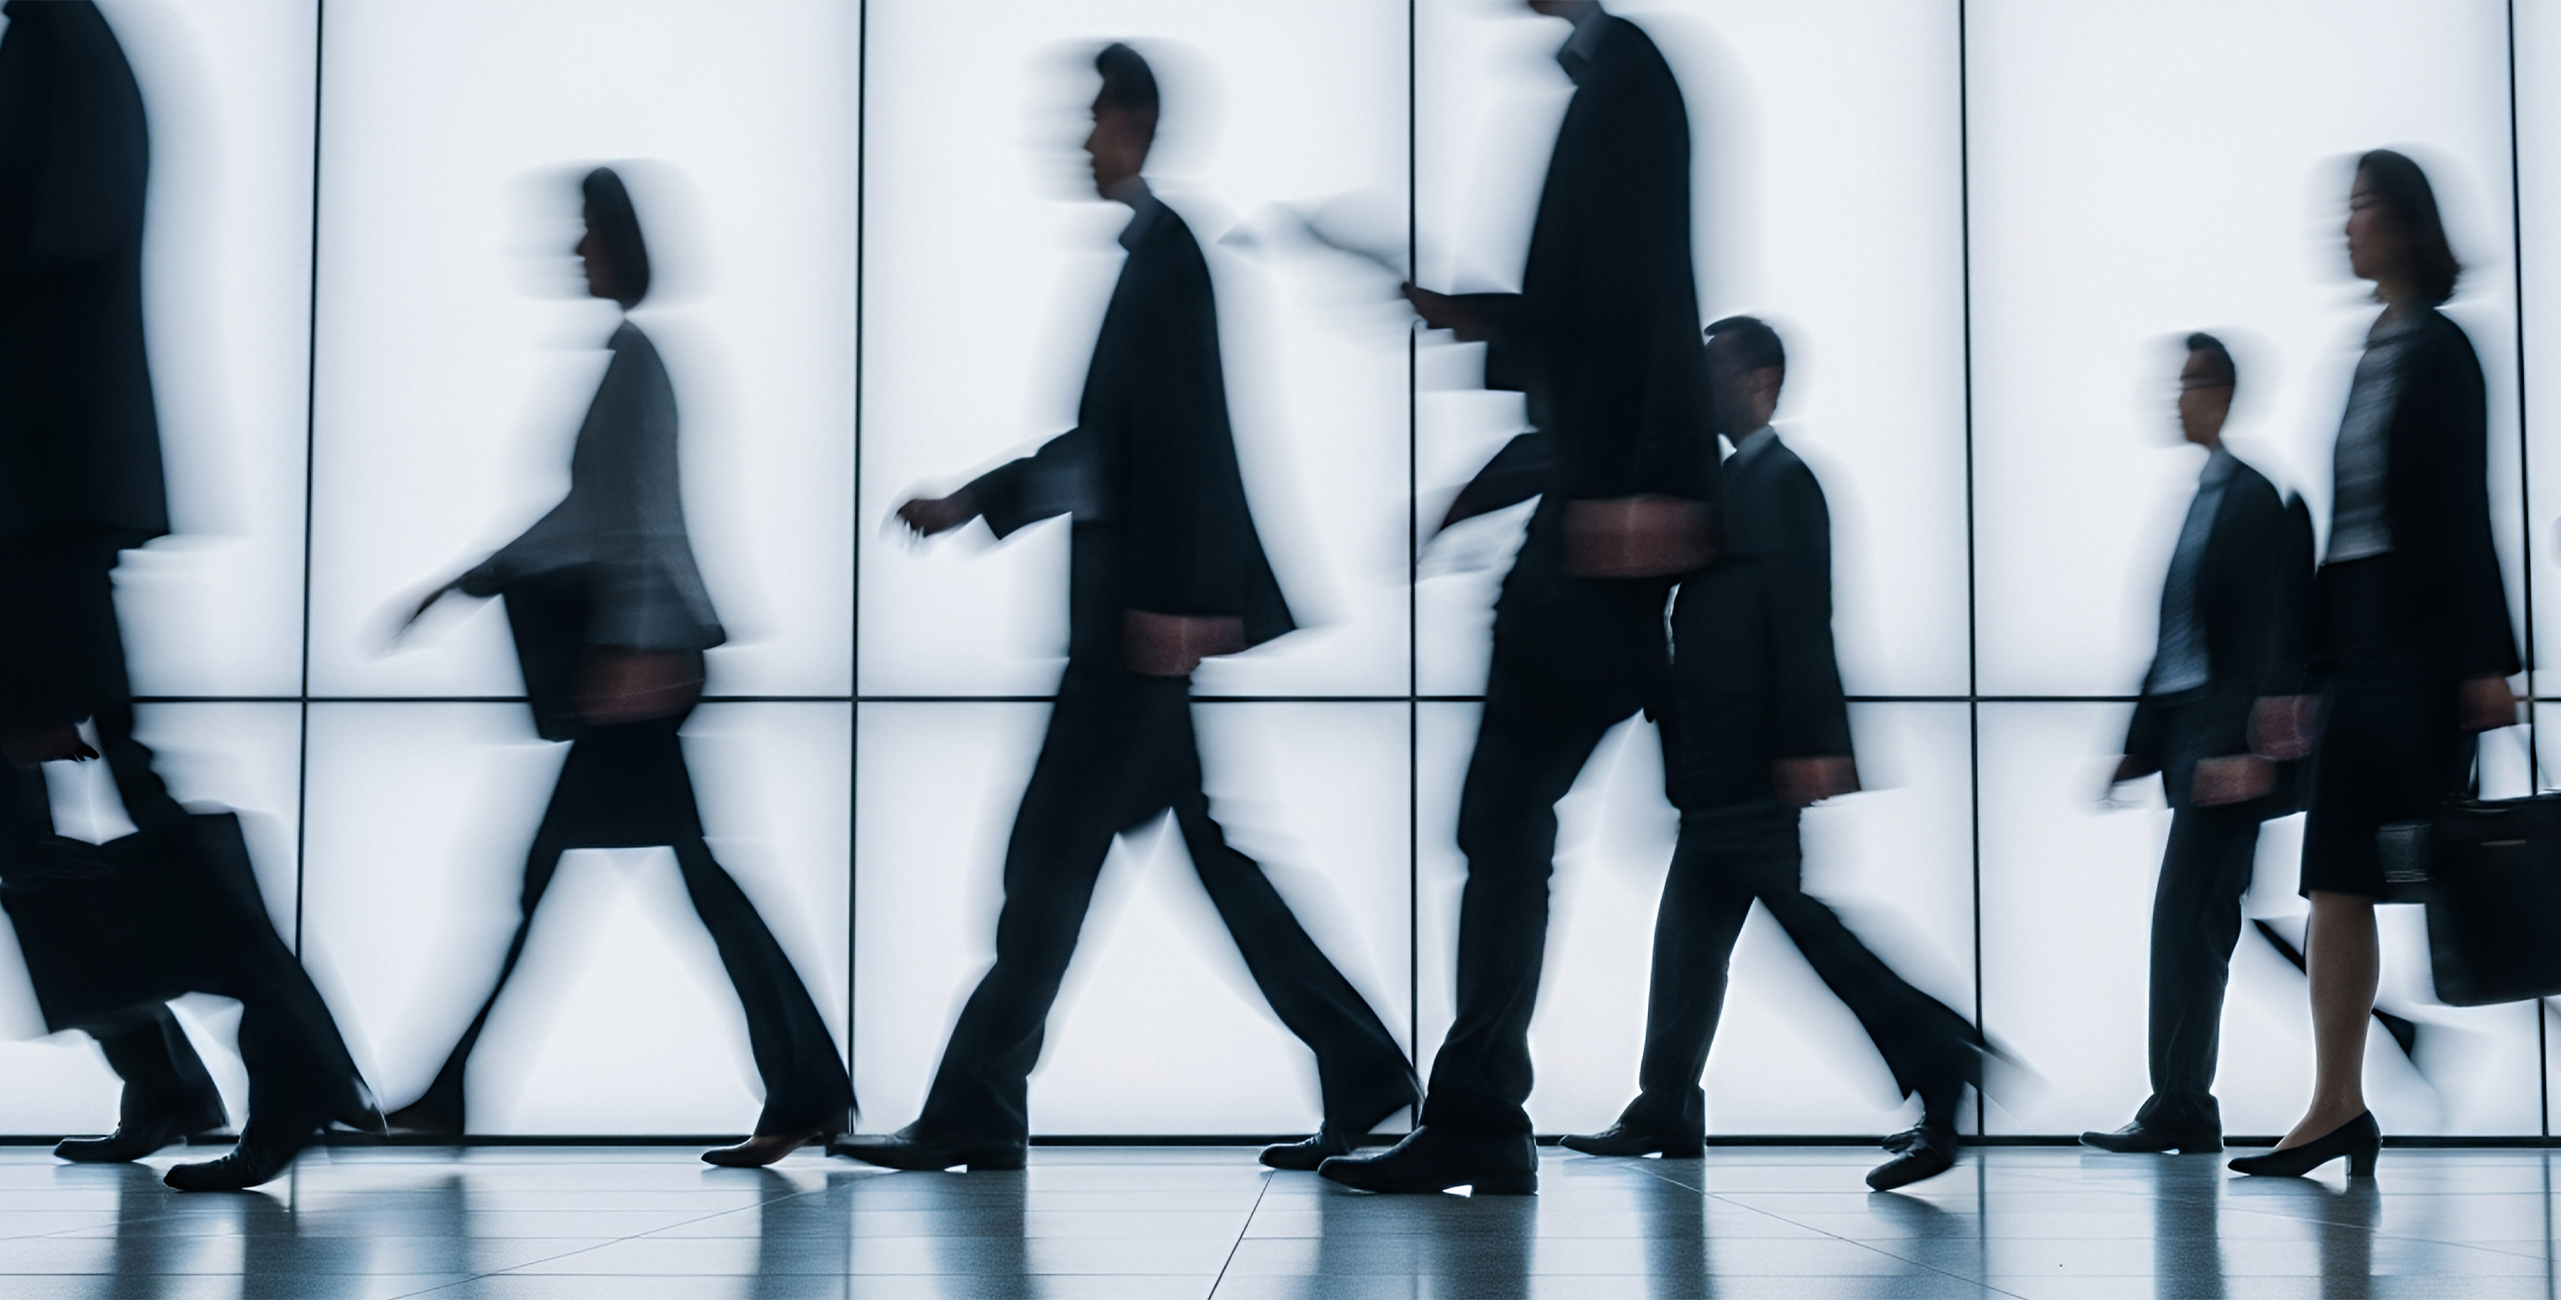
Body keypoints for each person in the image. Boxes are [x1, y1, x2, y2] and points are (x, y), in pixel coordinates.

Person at [830, 43, 1416, 1175]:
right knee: (1165, 866)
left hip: (1134, 635)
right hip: (1137, 631)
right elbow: (1117, 449)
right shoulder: (1153, 256)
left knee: (1050, 870)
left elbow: (1180, 444)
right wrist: (981, 502)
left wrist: (1174, 604)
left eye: (1093, 116)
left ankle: (975, 1109)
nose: (1077, 136)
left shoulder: (1168, 260)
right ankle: (1365, 1075)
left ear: (1137, 124)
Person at [1319, 0, 1715, 1197]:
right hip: (1594, 507)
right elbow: (1592, 317)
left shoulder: (1625, 80)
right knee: (1576, 821)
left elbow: (1646, 297)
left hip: (1601, 518)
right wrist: (1459, 315)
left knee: (1515, 815)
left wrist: (1636, 492)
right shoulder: (1606, 76)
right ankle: (1480, 1106)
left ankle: (1482, 1111)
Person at [391, 167, 856, 1169]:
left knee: (597, 880)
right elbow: (595, 515)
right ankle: (808, 1089)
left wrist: (625, 647)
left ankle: (447, 1091)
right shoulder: (628, 360)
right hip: (645, 658)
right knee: (667, 882)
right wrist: (475, 577)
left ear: (617, 240)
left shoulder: (636, 362)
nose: (575, 249)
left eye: (586, 232)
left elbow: (633, 516)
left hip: (642, 665)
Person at [0, 0, 380, 1192]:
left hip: (39, 500)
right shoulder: (67, 39)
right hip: (45, 495)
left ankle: (287, 1065)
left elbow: (47, 250)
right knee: (59, 808)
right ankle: (186, 1070)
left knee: (111, 802)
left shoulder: (59, 41)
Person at [1558, 317, 1983, 1191]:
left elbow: (1802, 619)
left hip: (1755, 758)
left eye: (1713, 367)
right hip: (1715, 756)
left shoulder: (1786, 482)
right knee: (1690, 933)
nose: (1698, 384)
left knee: (1799, 923)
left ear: (1760, 380)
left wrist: (1809, 746)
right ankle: (1665, 1102)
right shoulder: (1726, 480)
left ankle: (1939, 1063)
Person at [2230, 150, 2520, 1179]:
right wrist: (2299, 672)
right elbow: (2342, 525)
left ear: (2402, 222)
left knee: (2442, 873)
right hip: (2355, 652)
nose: (2339, 224)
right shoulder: (2371, 348)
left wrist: (2488, 661)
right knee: (2334, 878)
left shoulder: (2439, 350)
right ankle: (2334, 1103)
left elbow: (2459, 508)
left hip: (2418, 651)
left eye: (2356, 206)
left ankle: (2346, 1096)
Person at [2082, 335, 2314, 1157]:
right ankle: (2181, 1097)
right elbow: (2176, 637)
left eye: (2187, 384)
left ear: (2221, 392)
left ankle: (2181, 1101)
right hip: (2190, 742)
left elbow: (2265, 639)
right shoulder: (2206, 496)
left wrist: (2242, 747)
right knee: (2201, 916)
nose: (2172, 398)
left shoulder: (2253, 499)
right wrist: (2135, 747)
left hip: (2223, 749)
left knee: (2192, 915)